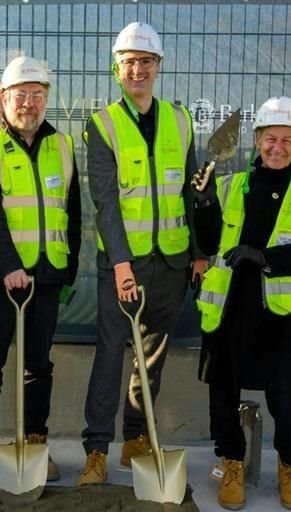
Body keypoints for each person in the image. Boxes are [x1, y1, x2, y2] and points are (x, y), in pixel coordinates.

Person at [78, 22, 203, 484]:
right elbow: (105, 201)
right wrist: (122, 265)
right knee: (111, 354)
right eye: (129, 62)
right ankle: (95, 448)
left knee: (152, 354)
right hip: (123, 263)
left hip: (171, 260)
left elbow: (191, 192)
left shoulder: (181, 118)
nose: (138, 70)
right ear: (117, 69)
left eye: (146, 62)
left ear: (158, 68)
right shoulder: (102, 124)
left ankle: (136, 438)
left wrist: (199, 252)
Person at [192, 97, 291, 511]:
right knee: (223, 391)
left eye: (287, 139)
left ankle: (289, 468)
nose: (277, 147)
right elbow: (211, 238)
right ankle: (232, 463)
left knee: (284, 399)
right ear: (256, 140)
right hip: (231, 307)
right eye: (271, 138)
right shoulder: (230, 184)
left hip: (282, 316)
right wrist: (202, 202)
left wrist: (264, 257)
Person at [0, 56, 81, 482]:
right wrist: (9, 265)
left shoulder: (61, 146)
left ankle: (34, 442)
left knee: (38, 366)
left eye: (37, 95)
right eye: (20, 95)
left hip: (45, 275)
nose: (29, 104)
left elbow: (73, 212)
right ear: (2, 98)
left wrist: (69, 269)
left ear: (46, 99)